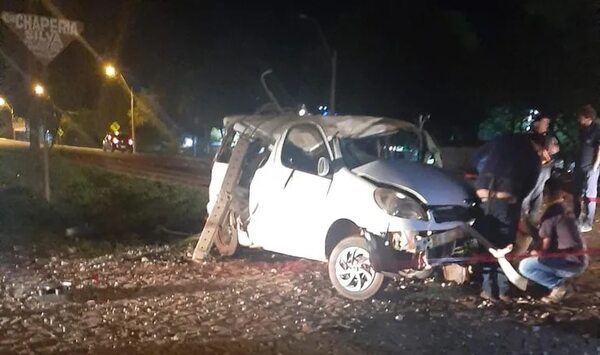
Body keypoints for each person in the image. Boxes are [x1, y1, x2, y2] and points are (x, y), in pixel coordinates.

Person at [472, 133, 548, 302]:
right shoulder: (532, 156)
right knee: (504, 246)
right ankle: (502, 291)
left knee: (487, 244)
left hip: (482, 194)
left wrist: (484, 175)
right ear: (539, 146)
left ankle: (486, 289)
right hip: (506, 201)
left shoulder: (500, 140)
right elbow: (530, 184)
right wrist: (517, 198)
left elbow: (476, 157)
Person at [519, 178, 588, 303]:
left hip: (569, 265)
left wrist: (534, 254)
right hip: (578, 260)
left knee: (525, 266)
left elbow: (545, 247)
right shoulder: (563, 209)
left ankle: (559, 287)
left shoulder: (551, 214)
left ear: (545, 193)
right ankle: (555, 282)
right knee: (535, 258)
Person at [522, 115, 560, 224]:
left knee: (538, 195)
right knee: (527, 193)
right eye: (545, 122)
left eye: (548, 123)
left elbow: (556, 148)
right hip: (532, 169)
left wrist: (553, 149)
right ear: (536, 124)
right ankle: (522, 221)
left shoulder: (548, 137)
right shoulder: (530, 137)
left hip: (545, 170)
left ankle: (533, 220)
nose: (547, 125)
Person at [574, 104, 600, 233]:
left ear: (587, 117)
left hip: (591, 167)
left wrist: (595, 166)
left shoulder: (597, 129)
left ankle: (588, 222)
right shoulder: (581, 130)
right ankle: (576, 218)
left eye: (581, 117)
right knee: (577, 193)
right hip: (579, 166)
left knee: (590, 195)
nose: (579, 119)